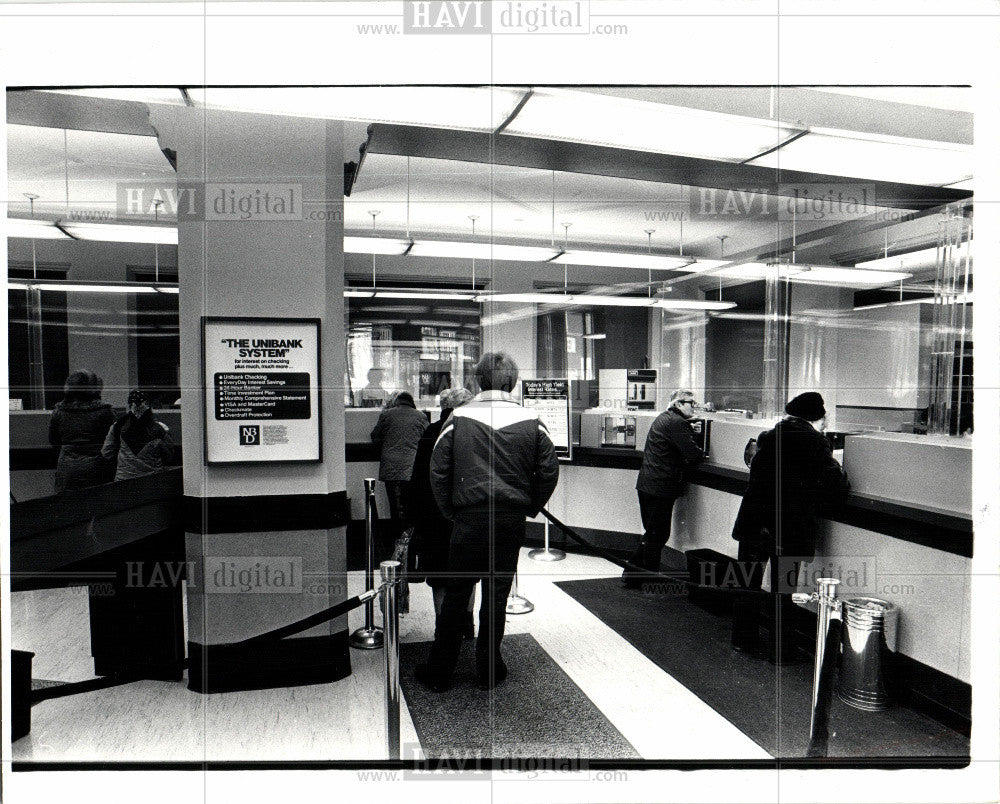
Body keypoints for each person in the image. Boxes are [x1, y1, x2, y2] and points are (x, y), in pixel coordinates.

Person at [416, 353, 560, 693]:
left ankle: (440, 672)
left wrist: (451, 511)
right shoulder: (533, 419)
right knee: (497, 596)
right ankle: (489, 671)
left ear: (479, 380)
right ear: (512, 382)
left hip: (469, 518)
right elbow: (550, 470)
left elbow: (437, 471)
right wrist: (530, 506)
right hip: (510, 520)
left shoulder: (458, 417)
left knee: (456, 594)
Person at [730, 391, 849, 663]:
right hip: (788, 527)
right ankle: (780, 650)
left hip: (753, 522)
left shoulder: (767, 437)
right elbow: (835, 484)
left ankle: (742, 641)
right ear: (817, 417)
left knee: (746, 583)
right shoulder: (816, 443)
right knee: (784, 589)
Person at [406, 388, 476, 637]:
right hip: (467, 514)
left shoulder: (430, 432)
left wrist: (414, 516)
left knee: (439, 575)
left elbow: (418, 478)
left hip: (434, 516)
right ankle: (467, 627)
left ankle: (442, 628)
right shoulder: (472, 432)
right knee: (469, 574)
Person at [622, 389, 706, 588]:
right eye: (690, 403)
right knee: (658, 534)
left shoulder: (664, 418)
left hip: (647, 483)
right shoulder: (677, 423)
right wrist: (696, 442)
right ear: (678, 404)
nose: (693, 406)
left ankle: (635, 574)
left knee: (653, 532)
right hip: (661, 486)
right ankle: (642, 575)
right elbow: (693, 454)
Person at [370, 389, 428, 557]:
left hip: (392, 469)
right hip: (412, 469)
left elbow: (375, 437)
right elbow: (428, 438)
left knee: (395, 510)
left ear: (396, 401)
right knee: (412, 509)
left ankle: (397, 549)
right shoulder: (421, 416)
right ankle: (410, 548)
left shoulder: (386, 415)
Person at [48, 370, 117, 493]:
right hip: (97, 469)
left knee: (68, 507)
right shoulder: (105, 411)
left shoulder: (59, 411)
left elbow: (54, 441)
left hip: (67, 469)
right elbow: (114, 441)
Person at [101, 389, 176, 481]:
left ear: (129, 406)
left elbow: (106, 453)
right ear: (149, 406)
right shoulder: (160, 429)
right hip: (153, 481)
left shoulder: (118, 426)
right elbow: (169, 457)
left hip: (123, 481)